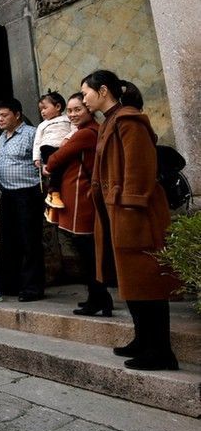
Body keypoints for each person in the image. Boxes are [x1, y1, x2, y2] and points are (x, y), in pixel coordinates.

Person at [81, 70, 180, 370]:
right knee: (132, 283)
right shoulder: (109, 120)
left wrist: (129, 205)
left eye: (86, 92)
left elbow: (140, 169)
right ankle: (143, 340)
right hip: (116, 213)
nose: (84, 99)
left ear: (103, 90)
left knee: (147, 283)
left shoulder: (128, 120)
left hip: (133, 214)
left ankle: (161, 351)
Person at [43, 93, 109, 316]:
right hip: (76, 196)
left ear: (89, 109)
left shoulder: (86, 134)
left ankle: (99, 299)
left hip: (81, 199)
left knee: (87, 253)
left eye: (78, 109)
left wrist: (56, 154)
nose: (72, 114)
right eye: (70, 111)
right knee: (86, 253)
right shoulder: (85, 132)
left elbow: (54, 160)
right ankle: (99, 297)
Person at [0, 98, 45, 301]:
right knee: (8, 242)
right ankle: (10, 285)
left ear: (17, 115)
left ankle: (33, 288)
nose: (0, 119)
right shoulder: (1, 137)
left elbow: (42, 163)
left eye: (4, 115)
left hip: (28, 194)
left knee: (29, 241)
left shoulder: (32, 134)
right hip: (7, 195)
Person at [33, 92, 73, 209]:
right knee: (54, 169)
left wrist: (67, 138)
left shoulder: (67, 119)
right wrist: (36, 158)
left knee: (60, 171)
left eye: (45, 108)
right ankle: (54, 193)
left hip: (63, 149)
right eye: (41, 109)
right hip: (48, 150)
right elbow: (37, 142)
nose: (42, 112)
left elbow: (75, 130)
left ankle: (53, 194)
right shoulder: (42, 125)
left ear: (58, 107)